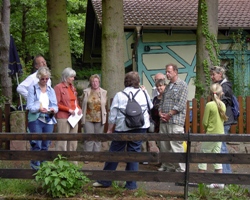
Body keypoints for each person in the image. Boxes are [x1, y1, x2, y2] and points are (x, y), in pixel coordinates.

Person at [92, 71, 153, 190]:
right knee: (134, 153)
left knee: (114, 153)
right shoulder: (143, 93)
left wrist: (110, 129)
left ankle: (105, 180)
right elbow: (150, 107)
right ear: (138, 82)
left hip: (122, 128)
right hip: (140, 127)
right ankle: (131, 184)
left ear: (125, 82)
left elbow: (113, 115)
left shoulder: (119, 95)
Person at [26, 66, 58, 170]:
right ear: (39, 78)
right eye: (42, 78)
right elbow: (30, 106)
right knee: (37, 144)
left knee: (46, 144)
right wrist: (39, 108)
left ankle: (44, 168)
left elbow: (55, 106)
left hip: (48, 119)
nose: (44, 81)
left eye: (47, 78)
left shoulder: (51, 90)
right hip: (36, 119)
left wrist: (52, 109)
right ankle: (35, 167)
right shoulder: (33, 88)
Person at [158, 63, 188, 172]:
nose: (167, 74)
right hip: (164, 121)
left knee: (176, 145)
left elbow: (181, 104)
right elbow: (162, 101)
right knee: (164, 146)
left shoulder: (182, 85)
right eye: (166, 71)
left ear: (175, 72)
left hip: (175, 121)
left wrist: (169, 114)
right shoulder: (167, 87)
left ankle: (181, 169)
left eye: (169, 72)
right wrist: (160, 112)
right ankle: (168, 166)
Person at [198, 83, 228, 189]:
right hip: (220, 133)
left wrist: (206, 130)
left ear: (211, 93)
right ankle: (219, 182)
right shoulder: (223, 105)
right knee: (216, 156)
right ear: (220, 94)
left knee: (203, 155)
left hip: (211, 134)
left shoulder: (209, 105)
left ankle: (200, 181)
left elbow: (205, 122)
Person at [54, 67, 82, 161]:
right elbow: (56, 104)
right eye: (71, 77)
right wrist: (68, 110)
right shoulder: (58, 87)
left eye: (73, 77)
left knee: (73, 140)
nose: (73, 79)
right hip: (63, 117)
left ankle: (72, 162)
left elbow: (75, 102)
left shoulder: (72, 88)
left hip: (74, 117)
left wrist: (79, 108)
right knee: (62, 141)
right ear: (66, 77)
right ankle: (61, 162)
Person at [210, 66, 234, 174]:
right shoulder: (220, 86)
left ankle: (226, 174)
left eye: (213, 74)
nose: (212, 77)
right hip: (221, 120)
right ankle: (223, 173)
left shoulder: (225, 87)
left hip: (224, 120)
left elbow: (223, 102)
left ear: (220, 74)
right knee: (220, 146)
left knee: (221, 147)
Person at [81, 74, 107, 161]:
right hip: (88, 118)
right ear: (90, 82)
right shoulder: (86, 91)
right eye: (93, 81)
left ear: (99, 82)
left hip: (100, 118)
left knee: (98, 138)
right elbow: (82, 103)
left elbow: (105, 104)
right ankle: (87, 157)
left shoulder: (104, 92)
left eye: (96, 81)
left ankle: (96, 156)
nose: (95, 83)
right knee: (89, 138)